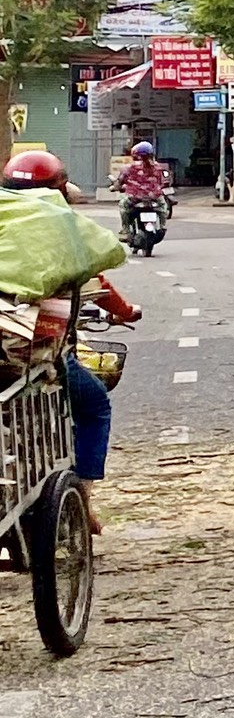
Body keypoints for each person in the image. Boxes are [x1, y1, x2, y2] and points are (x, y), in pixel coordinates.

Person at [4, 149, 139, 533]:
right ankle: (83, 495)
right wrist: (127, 312)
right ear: (58, 190)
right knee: (94, 405)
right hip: (32, 352)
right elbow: (99, 282)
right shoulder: (60, 229)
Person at [115, 140, 174, 242]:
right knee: (163, 207)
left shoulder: (130, 167)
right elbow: (163, 181)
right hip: (154, 197)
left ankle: (125, 230)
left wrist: (116, 186)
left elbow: (121, 180)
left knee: (123, 206)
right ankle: (162, 226)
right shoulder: (158, 167)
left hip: (135, 197)